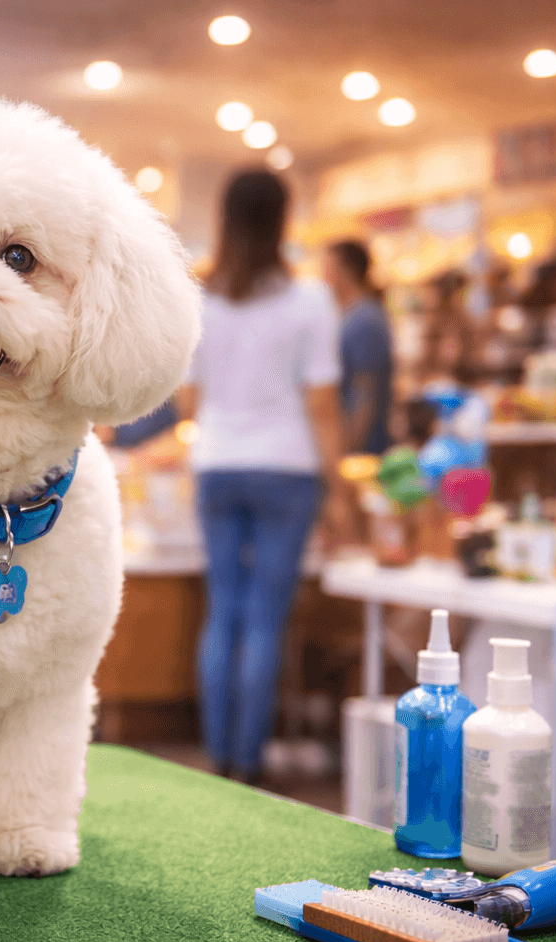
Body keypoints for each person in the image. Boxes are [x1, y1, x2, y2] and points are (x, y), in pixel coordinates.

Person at [178, 169, 348, 782]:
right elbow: (323, 406)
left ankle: (218, 757)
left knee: (222, 609)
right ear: (283, 219)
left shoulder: (199, 301)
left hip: (217, 464)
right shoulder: (311, 301)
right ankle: (249, 762)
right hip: (287, 468)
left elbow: (187, 403)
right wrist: (340, 490)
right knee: (265, 616)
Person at [322, 240, 394, 455]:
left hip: (363, 447)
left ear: (346, 271)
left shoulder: (364, 320)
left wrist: (349, 449)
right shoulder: (352, 315)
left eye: (328, 269)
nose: (324, 278)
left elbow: (366, 392)